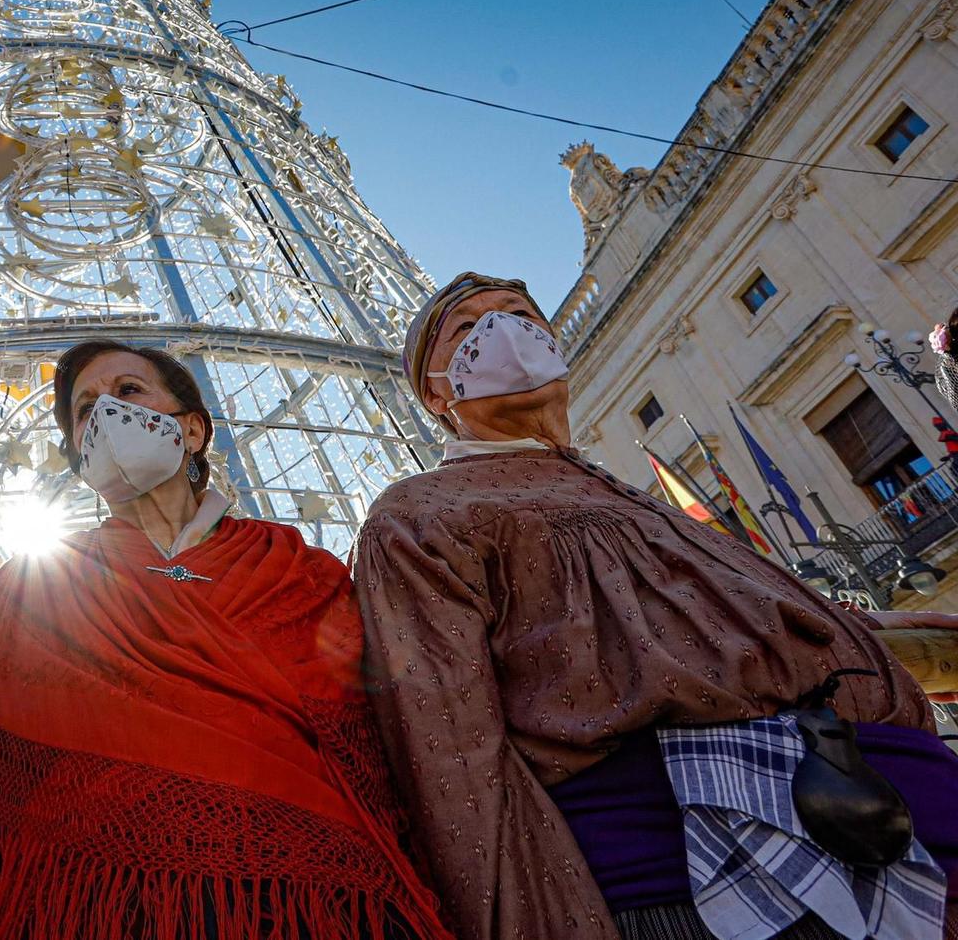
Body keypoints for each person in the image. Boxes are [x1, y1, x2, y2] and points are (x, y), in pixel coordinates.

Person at [356, 272, 958, 940]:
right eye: (468, 329)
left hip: (905, 823)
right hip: (701, 881)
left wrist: (858, 635)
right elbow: (448, 751)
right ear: (435, 389)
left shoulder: (625, 495)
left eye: (521, 315)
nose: (506, 334)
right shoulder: (420, 514)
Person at [0, 339, 452, 940]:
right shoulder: (33, 586)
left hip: (316, 896)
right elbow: (7, 771)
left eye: (127, 392)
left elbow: (362, 732)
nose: (106, 414)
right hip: (109, 902)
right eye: (85, 409)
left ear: (193, 430)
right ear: (78, 455)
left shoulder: (296, 566)